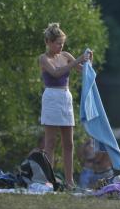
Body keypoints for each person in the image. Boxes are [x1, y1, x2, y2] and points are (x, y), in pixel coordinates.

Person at [39, 22, 91, 189]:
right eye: (57, 43)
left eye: (62, 43)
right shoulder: (43, 58)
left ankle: (70, 182)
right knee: (50, 142)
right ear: (48, 42)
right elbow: (55, 73)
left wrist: (88, 60)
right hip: (52, 98)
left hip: (65, 98)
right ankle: (49, 180)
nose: (61, 46)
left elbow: (84, 71)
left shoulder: (67, 55)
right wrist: (76, 61)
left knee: (69, 143)